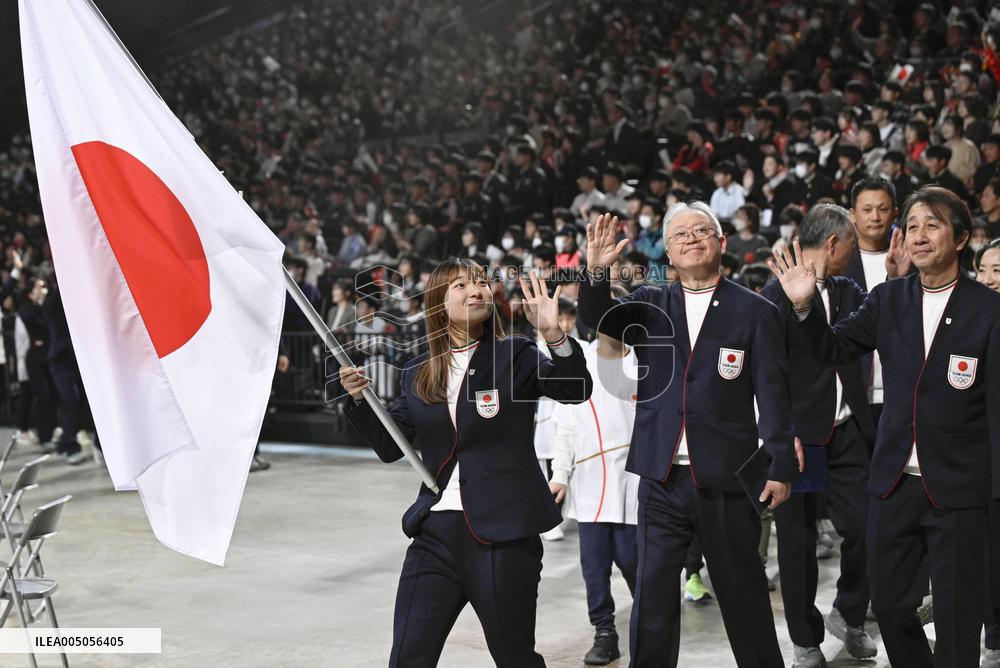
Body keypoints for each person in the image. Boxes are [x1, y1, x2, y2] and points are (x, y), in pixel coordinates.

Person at [768, 187, 1000, 668]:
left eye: (932, 225)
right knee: (892, 606)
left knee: (958, 616)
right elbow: (831, 349)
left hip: (960, 485)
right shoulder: (888, 298)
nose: (918, 235)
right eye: (912, 225)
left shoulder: (989, 309)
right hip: (893, 481)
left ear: (961, 239)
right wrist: (805, 308)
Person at [338, 258, 592, 668]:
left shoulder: (516, 354)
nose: (476, 290)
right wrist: (357, 400)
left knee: (515, 658)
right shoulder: (418, 370)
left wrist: (554, 336)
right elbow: (390, 445)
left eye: (481, 283)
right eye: (460, 285)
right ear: (438, 303)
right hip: (435, 535)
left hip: (503, 535)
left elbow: (575, 389)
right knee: (407, 657)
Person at [580, 208, 797, 668]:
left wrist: (780, 465)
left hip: (728, 479)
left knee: (743, 595)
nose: (692, 239)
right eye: (680, 234)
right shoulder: (651, 302)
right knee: (653, 598)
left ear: (720, 242)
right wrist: (596, 272)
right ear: (669, 252)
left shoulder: (756, 310)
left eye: (702, 231)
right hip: (661, 479)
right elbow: (595, 319)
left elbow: (774, 395)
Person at [761, 204, 878, 667]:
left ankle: (849, 613)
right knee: (797, 544)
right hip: (798, 439)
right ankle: (805, 639)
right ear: (833, 243)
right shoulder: (772, 295)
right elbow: (767, 375)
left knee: (869, 527)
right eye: (851, 245)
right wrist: (779, 436)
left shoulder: (849, 290)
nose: (854, 254)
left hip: (848, 429)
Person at [550, 291, 640, 665]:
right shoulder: (579, 364)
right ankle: (604, 630)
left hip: (635, 485)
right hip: (589, 484)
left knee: (635, 562)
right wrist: (560, 474)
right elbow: (566, 428)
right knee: (594, 567)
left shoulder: (645, 364)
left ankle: (650, 620)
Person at [975, 238, 1000, 668]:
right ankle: (994, 637)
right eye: (985, 268)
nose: (991, 278)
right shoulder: (970, 320)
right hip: (984, 463)